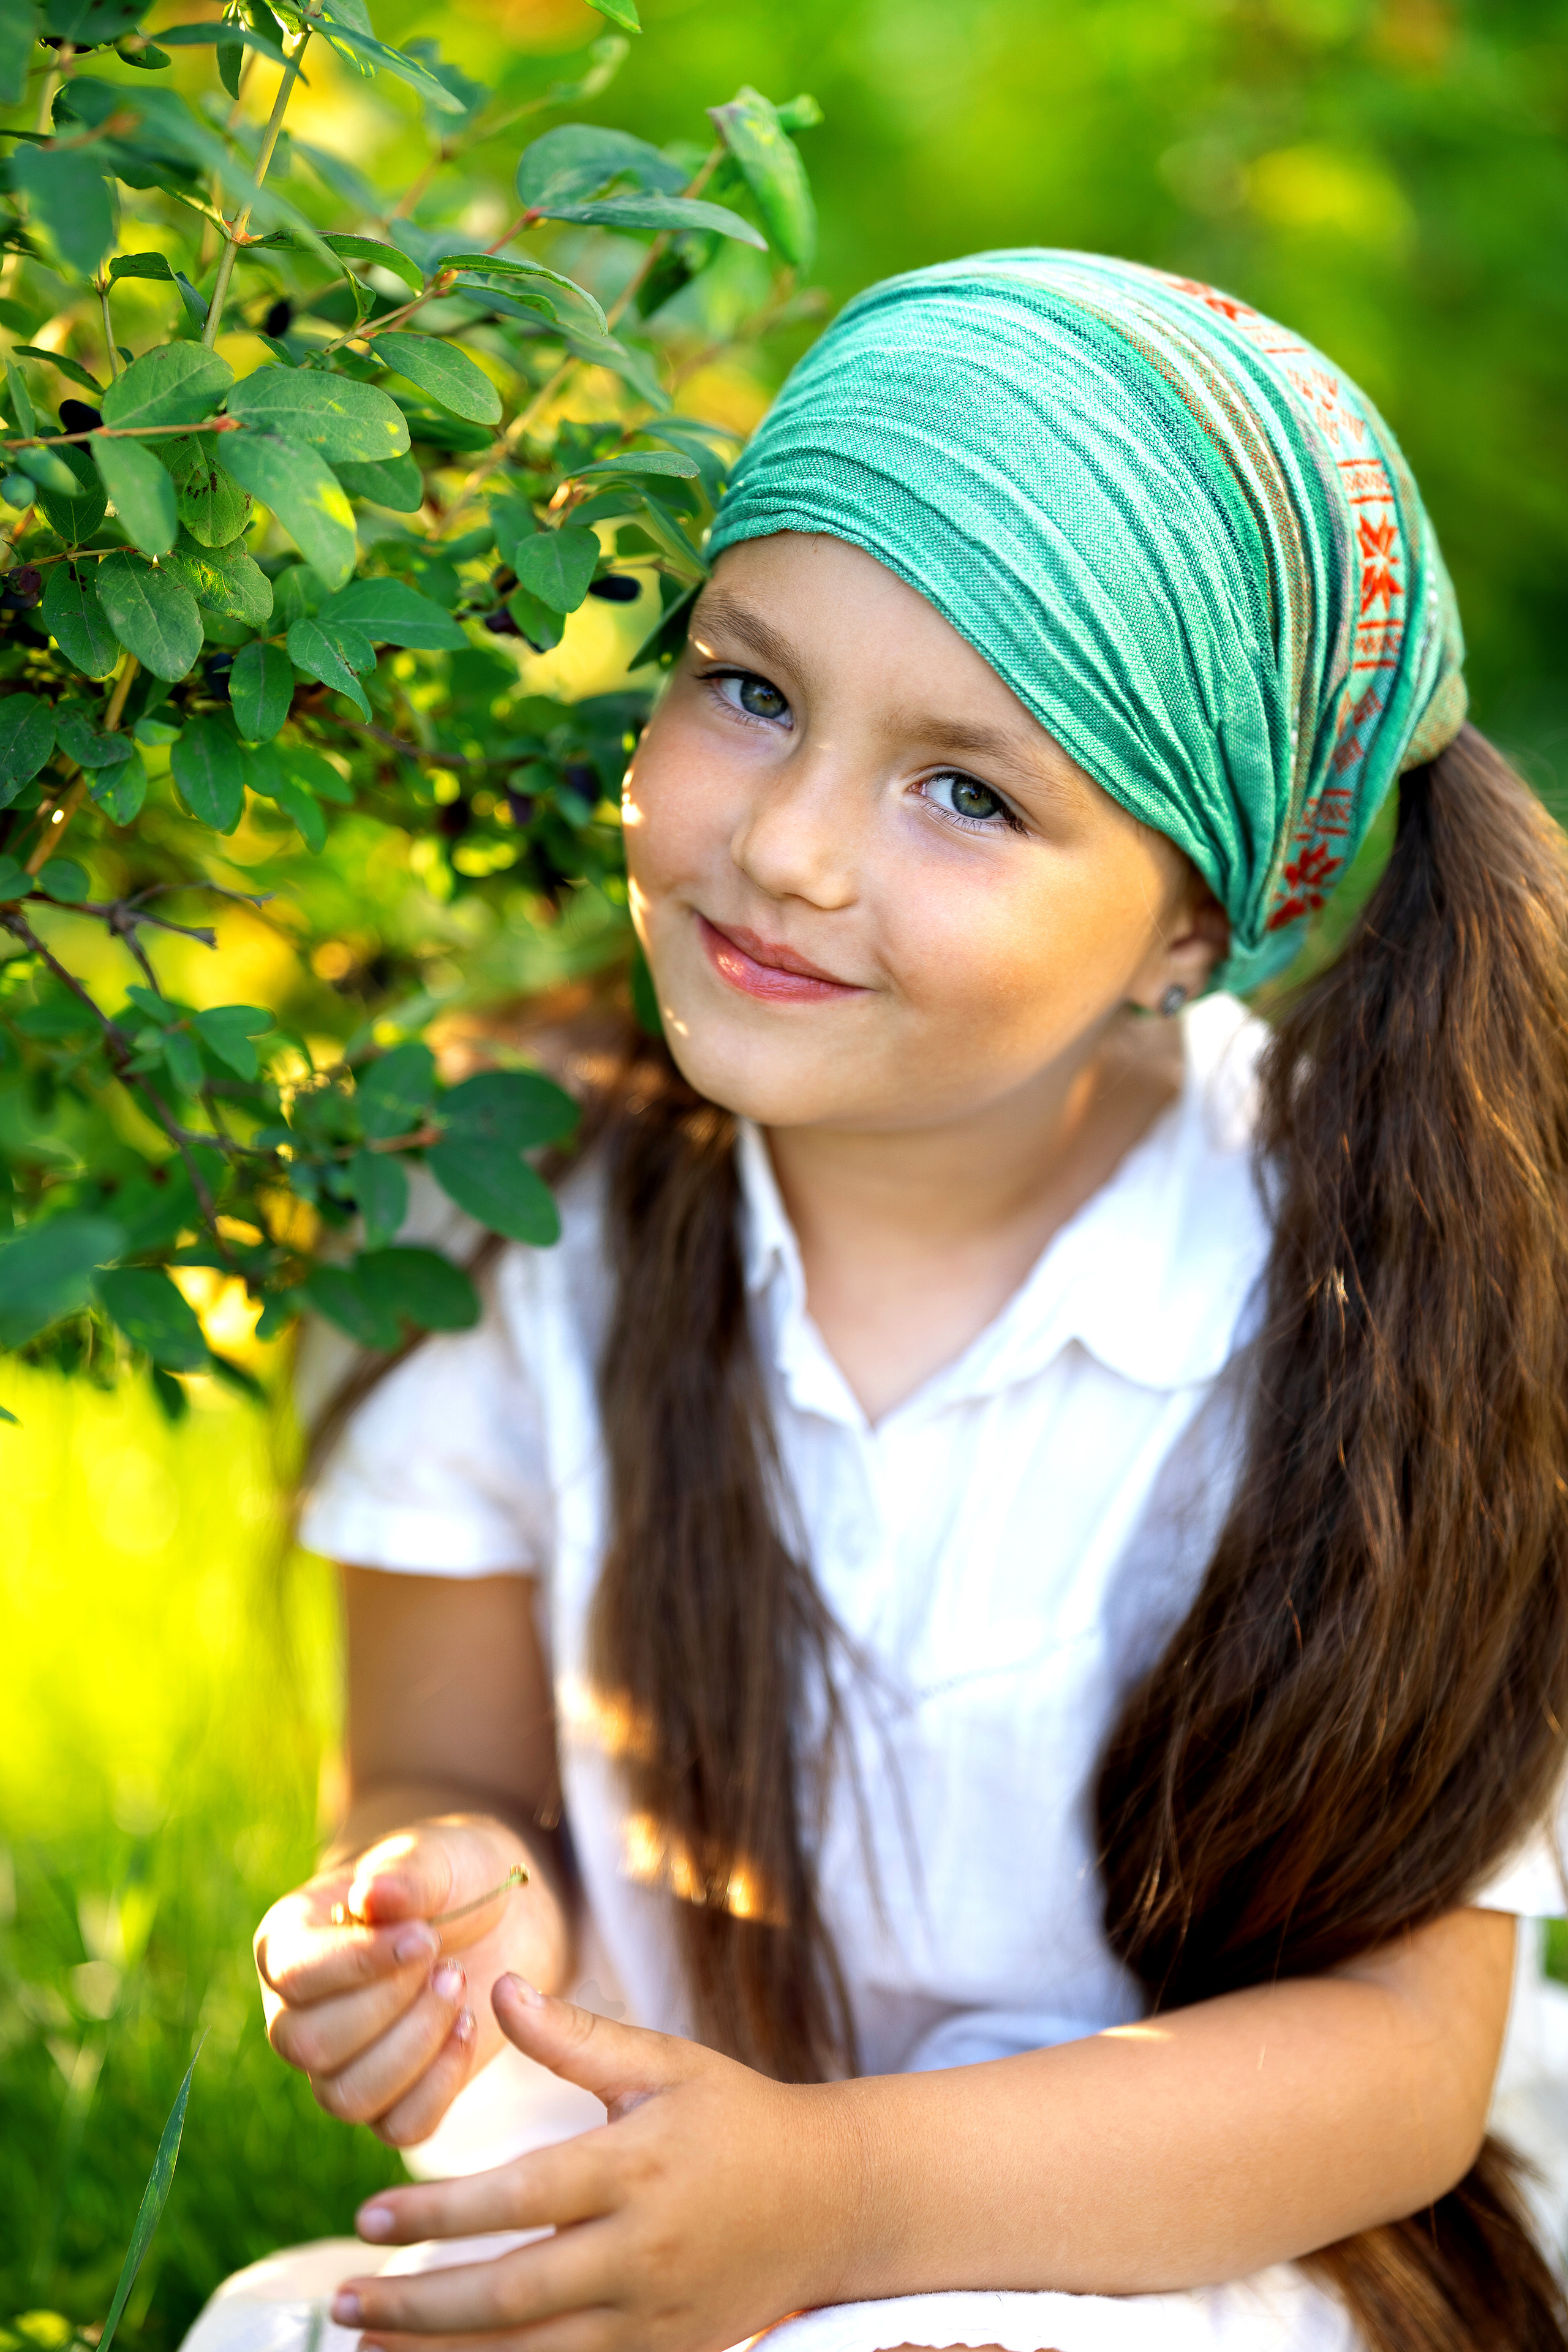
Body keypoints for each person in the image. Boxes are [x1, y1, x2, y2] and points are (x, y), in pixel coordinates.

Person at [187, 253, 1568, 2352]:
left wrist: (837, 2203)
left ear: (1192, 920)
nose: (796, 849)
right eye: (750, 688)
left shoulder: (1393, 1298)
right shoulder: (494, 1205)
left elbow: (1397, 2067)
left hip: (1212, 2253)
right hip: (710, 2223)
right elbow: (432, 1768)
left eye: (970, 793)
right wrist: (443, 1907)